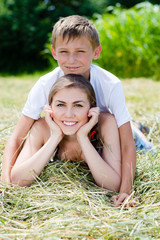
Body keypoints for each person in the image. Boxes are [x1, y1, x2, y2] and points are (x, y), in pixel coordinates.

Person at [1, 14, 146, 206]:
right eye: (64, 52)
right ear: (53, 52)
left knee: (124, 129)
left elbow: (127, 145)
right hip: (70, 132)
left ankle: (137, 127)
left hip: (104, 131)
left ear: (96, 52)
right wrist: (5, 185)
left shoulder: (110, 84)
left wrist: (126, 191)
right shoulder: (45, 85)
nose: (72, 60)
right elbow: (17, 138)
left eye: (80, 51)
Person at [10, 74, 137, 207]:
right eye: (60, 105)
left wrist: (83, 137)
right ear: (50, 108)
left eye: (78, 105)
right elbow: (17, 180)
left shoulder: (106, 124)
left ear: (91, 108)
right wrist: (55, 137)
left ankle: (137, 127)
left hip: (130, 139)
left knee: (136, 135)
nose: (69, 114)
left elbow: (113, 185)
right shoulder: (42, 127)